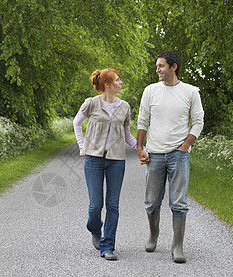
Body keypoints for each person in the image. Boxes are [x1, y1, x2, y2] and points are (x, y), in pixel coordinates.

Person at [136, 51, 204, 263]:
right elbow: (142, 121)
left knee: (179, 202)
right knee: (151, 202)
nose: (157, 70)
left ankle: (177, 246)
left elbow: (198, 121)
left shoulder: (190, 92)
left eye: (161, 66)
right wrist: (140, 147)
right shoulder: (150, 91)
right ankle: (153, 235)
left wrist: (185, 146)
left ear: (173, 67)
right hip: (155, 154)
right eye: (157, 66)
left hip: (178, 155)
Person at [73, 68, 145, 261]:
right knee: (95, 205)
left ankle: (108, 246)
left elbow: (127, 135)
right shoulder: (91, 104)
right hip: (93, 160)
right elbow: (76, 123)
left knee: (112, 205)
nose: (121, 83)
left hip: (116, 161)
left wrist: (141, 149)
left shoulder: (125, 107)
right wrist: (82, 146)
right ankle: (94, 229)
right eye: (117, 80)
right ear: (107, 84)